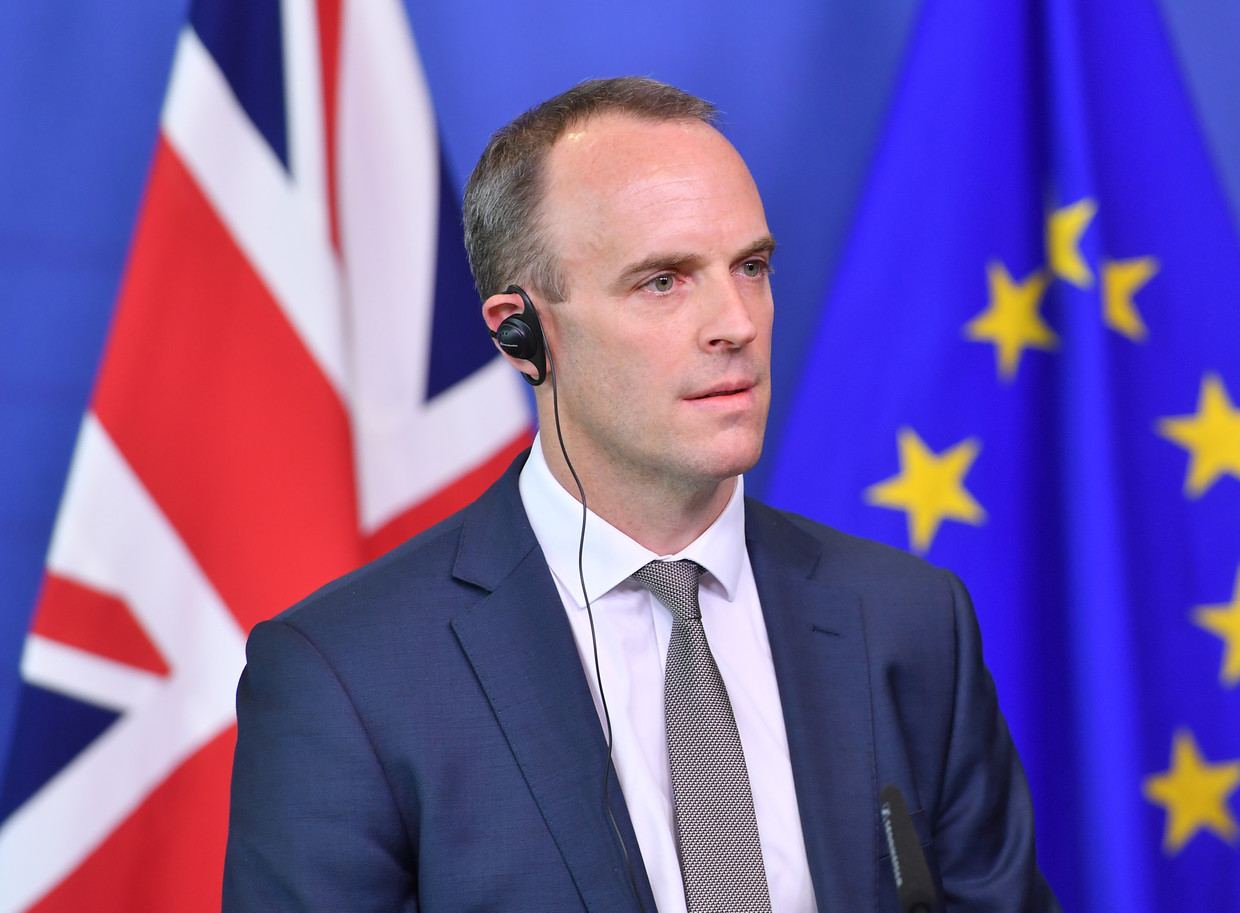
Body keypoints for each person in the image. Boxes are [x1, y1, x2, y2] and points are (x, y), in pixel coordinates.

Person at [222, 76, 1059, 913]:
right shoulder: (347, 676)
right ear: (521, 333)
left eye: (751, 267)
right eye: (663, 281)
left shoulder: (909, 619)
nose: (736, 322)